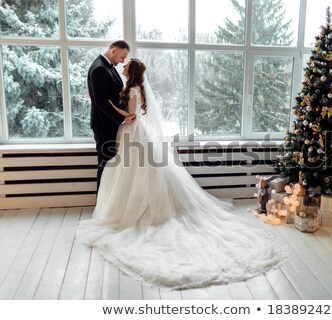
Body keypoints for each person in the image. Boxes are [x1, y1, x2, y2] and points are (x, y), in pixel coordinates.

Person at [77, 58, 287, 290]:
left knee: (134, 170)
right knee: (126, 172)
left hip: (133, 132)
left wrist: (110, 106)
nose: (123, 67)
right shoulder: (131, 86)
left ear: (132, 71)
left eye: (127, 66)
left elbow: (131, 115)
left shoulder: (134, 89)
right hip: (129, 133)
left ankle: (139, 210)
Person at [87, 40, 136, 190]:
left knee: (112, 165)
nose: (123, 62)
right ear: (113, 51)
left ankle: (107, 203)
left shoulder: (108, 66)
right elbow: (101, 102)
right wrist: (122, 119)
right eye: (122, 57)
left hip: (111, 124)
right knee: (106, 165)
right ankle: (101, 205)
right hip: (104, 126)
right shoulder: (99, 69)